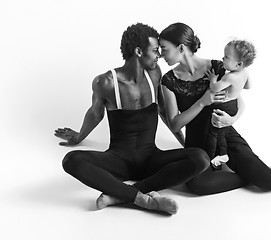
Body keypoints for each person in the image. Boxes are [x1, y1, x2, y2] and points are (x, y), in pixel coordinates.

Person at [159, 22, 271, 195]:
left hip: (225, 134)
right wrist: (202, 102)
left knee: (269, 181)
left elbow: (239, 101)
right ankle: (250, 175)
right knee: (198, 185)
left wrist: (232, 119)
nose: (161, 54)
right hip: (197, 145)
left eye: (164, 48)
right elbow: (174, 124)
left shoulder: (218, 67)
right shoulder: (169, 81)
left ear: (181, 48)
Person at [54, 23, 209, 215]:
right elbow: (96, 114)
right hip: (118, 161)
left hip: (151, 158)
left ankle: (123, 195)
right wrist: (78, 137)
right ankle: (144, 200)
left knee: (200, 158)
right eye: (154, 50)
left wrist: (184, 145)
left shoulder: (154, 75)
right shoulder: (105, 82)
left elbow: (163, 112)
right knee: (71, 160)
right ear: (138, 51)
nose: (159, 55)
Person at [204, 39, 254, 169]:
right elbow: (248, 86)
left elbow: (214, 88)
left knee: (213, 133)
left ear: (238, 64)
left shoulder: (230, 77)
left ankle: (212, 158)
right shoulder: (245, 73)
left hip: (223, 106)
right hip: (233, 105)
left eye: (226, 57)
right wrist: (235, 91)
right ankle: (222, 153)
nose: (222, 58)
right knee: (222, 132)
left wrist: (213, 79)